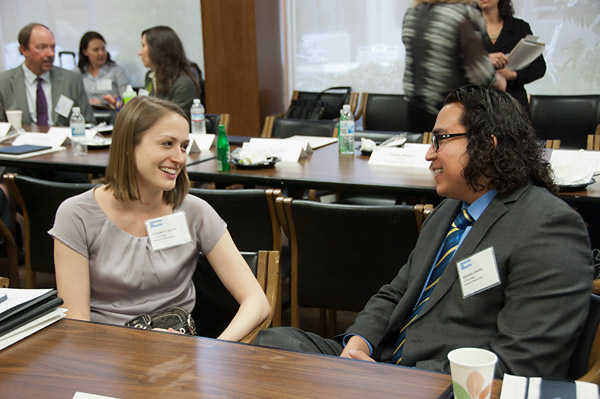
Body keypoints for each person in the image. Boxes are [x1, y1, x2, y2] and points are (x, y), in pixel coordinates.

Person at [255, 85, 593, 379]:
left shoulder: (548, 226)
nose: (429, 154)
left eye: (440, 140)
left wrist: (393, 379)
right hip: (383, 363)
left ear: (487, 146)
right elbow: (394, 294)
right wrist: (359, 343)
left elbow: (522, 364)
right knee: (272, 344)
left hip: (444, 383)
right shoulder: (448, 211)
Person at [49, 96, 269, 341]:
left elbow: (257, 301)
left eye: (184, 146)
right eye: (167, 144)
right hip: (106, 356)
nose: (180, 158)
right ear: (128, 146)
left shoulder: (194, 211)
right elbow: (76, 322)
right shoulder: (77, 214)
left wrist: (217, 349)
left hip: (177, 354)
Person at [402, 0, 505, 133]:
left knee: (423, 152)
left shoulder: (413, 12)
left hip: (415, 110)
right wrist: (498, 80)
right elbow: (480, 75)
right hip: (452, 112)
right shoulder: (463, 15)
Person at [0, 23, 95, 126]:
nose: (51, 54)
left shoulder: (71, 80)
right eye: (42, 47)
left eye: (52, 47)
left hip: (63, 141)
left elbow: (88, 123)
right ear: (24, 50)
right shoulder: (4, 82)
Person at [478, 0, 546, 116]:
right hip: (478, 104)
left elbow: (539, 67)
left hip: (513, 104)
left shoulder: (520, 27)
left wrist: (514, 75)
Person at [138, 26, 201, 119]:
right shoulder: (150, 76)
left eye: (143, 46)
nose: (139, 52)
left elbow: (174, 120)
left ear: (158, 50)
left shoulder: (183, 83)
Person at [75, 31, 129, 109]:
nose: (101, 53)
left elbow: (128, 103)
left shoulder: (117, 71)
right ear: (85, 52)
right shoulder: (77, 72)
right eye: (96, 50)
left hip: (111, 114)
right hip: (84, 115)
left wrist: (115, 103)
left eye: (103, 49)